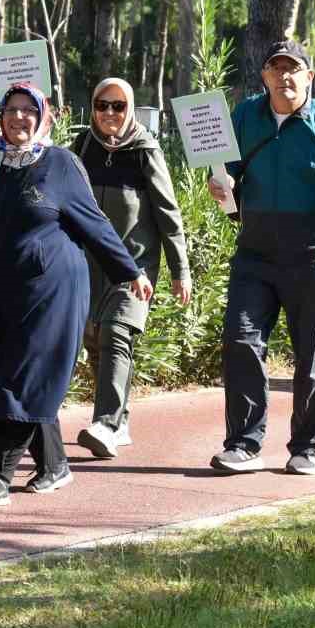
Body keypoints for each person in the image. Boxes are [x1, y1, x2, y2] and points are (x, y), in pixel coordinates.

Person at [0, 83, 152, 497]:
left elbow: (95, 223)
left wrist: (129, 271)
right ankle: (54, 464)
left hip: (51, 291)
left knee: (23, 379)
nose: (19, 118)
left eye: (28, 110)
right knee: (14, 374)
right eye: (11, 109)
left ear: (43, 116)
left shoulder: (60, 163)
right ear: (0, 116)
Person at [208, 39, 315, 476]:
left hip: (311, 254)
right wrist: (221, 186)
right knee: (240, 341)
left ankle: (307, 447)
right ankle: (243, 443)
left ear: (310, 76)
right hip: (254, 252)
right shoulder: (245, 116)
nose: (285, 77)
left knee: (313, 350)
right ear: (264, 77)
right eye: (276, 69)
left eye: (293, 69)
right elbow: (227, 172)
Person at [68, 77, 192, 459]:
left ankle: (105, 424)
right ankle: (119, 420)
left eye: (118, 106)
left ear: (130, 109)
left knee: (116, 333)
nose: (109, 113)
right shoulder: (83, 146)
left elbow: (168, 213)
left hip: (133, 265)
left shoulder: (145, 150)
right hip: (89, 262)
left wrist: (180, 270)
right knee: (94, 342)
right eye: (102, 105)